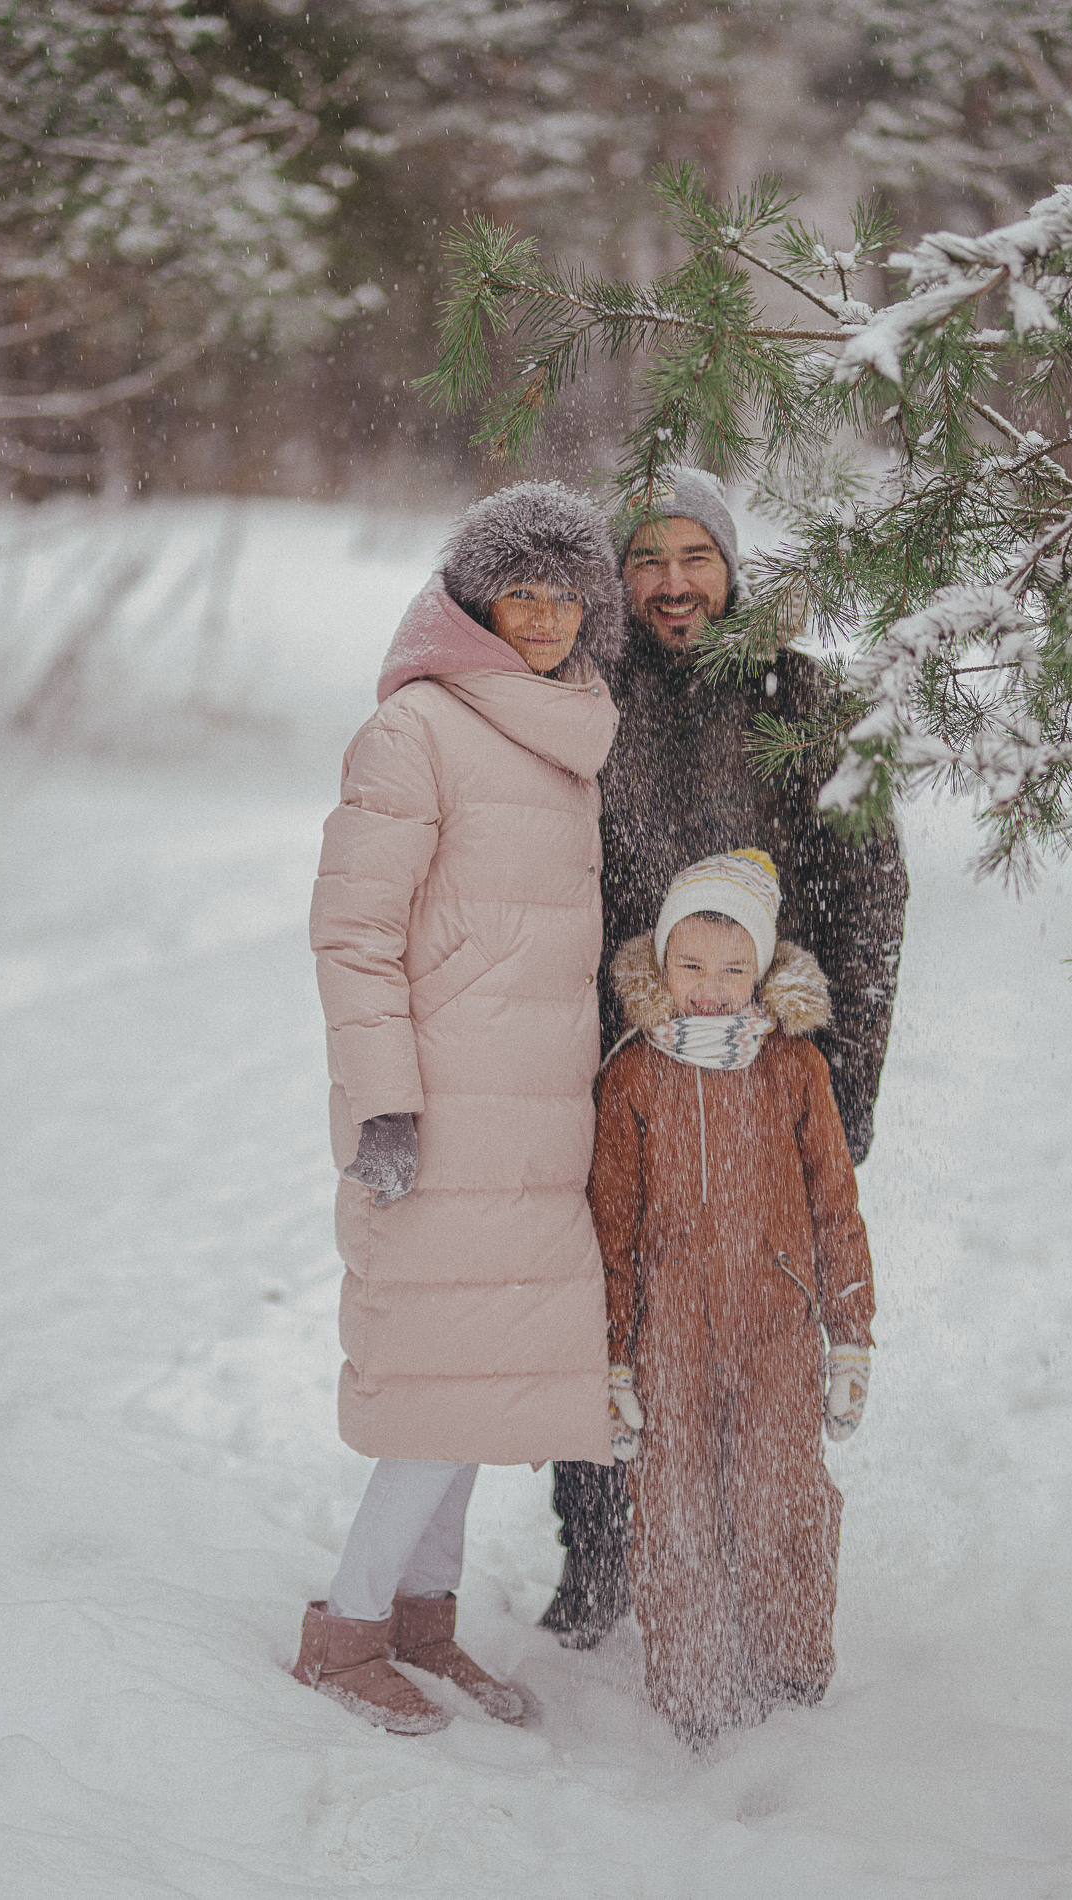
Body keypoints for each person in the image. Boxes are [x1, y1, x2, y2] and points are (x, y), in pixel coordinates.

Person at [542, 465, 907, 1649]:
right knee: (602, 1304)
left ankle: (767, 1565)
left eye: (694, 555)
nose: (671, 583)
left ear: (732, 564)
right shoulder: (584, 699)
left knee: (754, 1326)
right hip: (619, 1068)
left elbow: (868, 893)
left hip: (766, 1070)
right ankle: (598, 1549)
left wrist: (841, 1083)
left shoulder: (797, 696)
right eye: (644, 559)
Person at [295, 482, 623, 1733]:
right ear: (475, 599)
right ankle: (348, 1625)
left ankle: (424, 1623)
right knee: (440, 1389)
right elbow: (355, 932)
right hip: (440, 1121)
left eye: (562, 592)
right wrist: (384, 1105)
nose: (542, 615)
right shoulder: (418, 729)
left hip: (536, 1123)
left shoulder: (568, 721)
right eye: (518, 591)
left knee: (482, 1386)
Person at [587, 849, 876, 1746]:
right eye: (690, 967)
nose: (709, 990)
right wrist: (612, 1358)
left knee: (774, 1496)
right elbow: (612, 1226)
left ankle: (789, 1673)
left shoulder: (794, 1069)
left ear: (762, 968)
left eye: (732, 969)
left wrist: (849, 1336)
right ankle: (695, 1688)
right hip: (669, 1332)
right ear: (660, 963)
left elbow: (835, 1204)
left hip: (776, 1331)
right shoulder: (633, 1073)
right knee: (674, 1506)